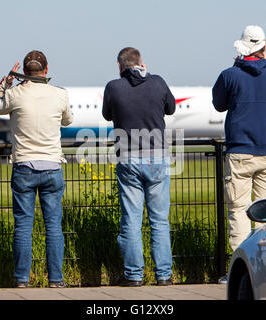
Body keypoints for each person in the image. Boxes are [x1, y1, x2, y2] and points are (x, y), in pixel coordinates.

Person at [0, 50, 73, 288]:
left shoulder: (15, 94)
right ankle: (56, 279)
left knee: (23, 225)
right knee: (53, 226)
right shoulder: (60, 94)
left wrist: (6, 82)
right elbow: (68, 120)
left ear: (24, 72)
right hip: (53, 166)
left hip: (24, 166)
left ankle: (22, 280)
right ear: (46, 70)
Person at [212, 25, 266, 281]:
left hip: (239, 152)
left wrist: (236, 69)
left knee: (238, 209)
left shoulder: (230, 75)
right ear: (264, 48)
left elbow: (218, 103)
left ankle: (240, 271)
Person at [102, 47, 176, 286]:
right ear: (142, 62)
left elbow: (106, 114)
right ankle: (163, 275)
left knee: (132, 220)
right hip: (157, 157)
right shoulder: (158, 82)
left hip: (128, 158)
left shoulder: (113, 87)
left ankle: (134, 276)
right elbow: (171, 108)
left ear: (120, 66)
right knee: (159, 220)